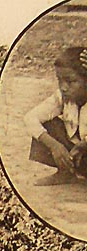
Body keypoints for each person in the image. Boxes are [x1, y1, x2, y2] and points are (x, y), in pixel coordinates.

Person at [25, 47, 87, 186]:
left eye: (71, 81)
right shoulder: (61, 97)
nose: (63, 87)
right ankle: (65, 173)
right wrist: (54, 146)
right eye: (60, 80)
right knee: (48, 125)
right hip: (77, 156)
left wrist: (84, 145)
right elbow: (30, 118)